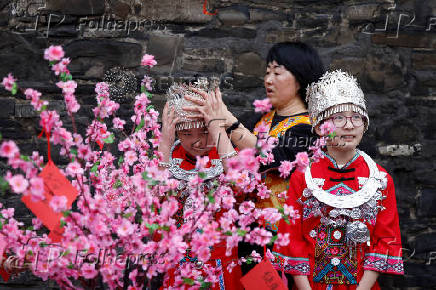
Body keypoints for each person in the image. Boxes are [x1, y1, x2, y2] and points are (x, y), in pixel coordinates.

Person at [272, 70, 404, 289]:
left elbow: (385, 241)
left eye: (356, 117)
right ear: (318, 127)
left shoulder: (380, 179)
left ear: (365, 123)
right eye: (338, 117)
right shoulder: (301, 177)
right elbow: (292, 239)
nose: (349, 125)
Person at [157, 79, 243, 290]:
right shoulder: (169, 157)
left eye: (203, 131)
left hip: (220, 261)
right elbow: (154, 198)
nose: (196, 141)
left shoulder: (225, 155)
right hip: (178, 261)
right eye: (187, 133)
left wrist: (218, 130)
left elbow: (240, 184)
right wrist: (165, 144)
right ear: (176, 131)